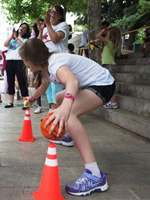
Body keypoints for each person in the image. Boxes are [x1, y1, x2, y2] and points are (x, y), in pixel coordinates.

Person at [20, 38, 114, 196]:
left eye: (25, 61)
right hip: (92, 85)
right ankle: (68, 135)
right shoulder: (45, 68)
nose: (26, 65)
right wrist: (31, 99)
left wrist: (66, 107)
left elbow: (72, 81)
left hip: (102, 85)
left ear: (30, 60)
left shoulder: (55, 63)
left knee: (69, 114)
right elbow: (43, 87)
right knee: (58, 98)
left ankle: (94, 175)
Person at [37, 5, 73, 146]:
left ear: (60, 16)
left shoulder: (63, 26)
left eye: (54, 13)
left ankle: (66, 132)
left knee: (59, 97)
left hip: (60, 64)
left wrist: (47, 24)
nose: (51, 14)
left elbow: (56, 39)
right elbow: (39, 44)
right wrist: (41, 30)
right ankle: (55, 124)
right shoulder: (46, 28)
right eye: (50, 12)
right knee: (51, 95)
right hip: (48, 64)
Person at [4, 23, 30, 109]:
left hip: (20, 62)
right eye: (21, 26)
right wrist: (12, 36)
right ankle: (10, 102)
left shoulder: (25, 40)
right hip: (9, 61)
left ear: (26, 31)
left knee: (22, 82)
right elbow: (5, 44)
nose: (22, 28)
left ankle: (26, 103)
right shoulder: (12, 39)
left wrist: (17, 37)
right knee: (10, 82)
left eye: (24, 28)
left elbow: (23, 46)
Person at [97, 26, 122, 109]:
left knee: (109, 84)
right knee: (108, 83)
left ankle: (113, 102)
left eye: (108, 33)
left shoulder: (109, 42)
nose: (106, 33)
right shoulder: (114, 43)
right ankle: (111, 101)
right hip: (111, 64)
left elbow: (98, 36)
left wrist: (104, 29)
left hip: (108, 64)